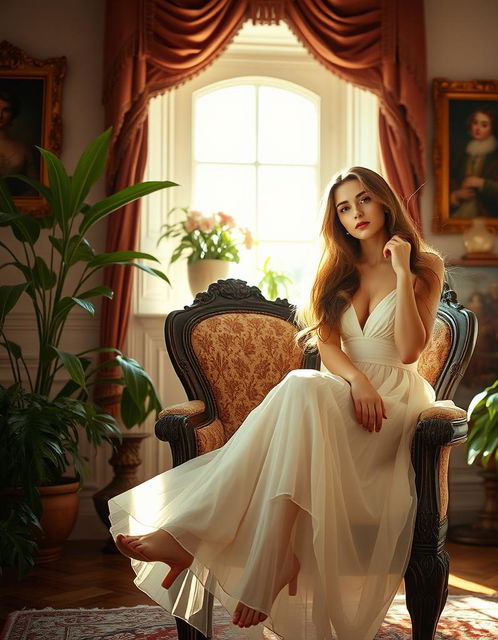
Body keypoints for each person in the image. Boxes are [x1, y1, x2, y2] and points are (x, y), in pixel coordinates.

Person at [110, 166, 445, 639]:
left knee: (301, 386)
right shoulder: (338, 272)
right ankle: (272, 558)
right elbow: (329, 346)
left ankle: (197, 536)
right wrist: (356, 383)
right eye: (344, 208)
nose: (356, 214)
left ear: (385, 202)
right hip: (350, 399)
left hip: (394, 411)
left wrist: (402, 271)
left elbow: (411, 350)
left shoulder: (424, 267)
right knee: (303, 386)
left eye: (364, 200)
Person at [449, 106, 498, 219]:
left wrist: (482, 183)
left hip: (488, 215)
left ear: (492, 129)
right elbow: (450, 182)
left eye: (484, 125)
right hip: (461, 217)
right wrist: (456, 195)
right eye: (475, 123)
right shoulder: (461, 155)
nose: (477, 128)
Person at [0, 90, 38, 195]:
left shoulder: (23, 149)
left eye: (5, 110)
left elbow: (34, 187)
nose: (0, 115)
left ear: (13, 114)